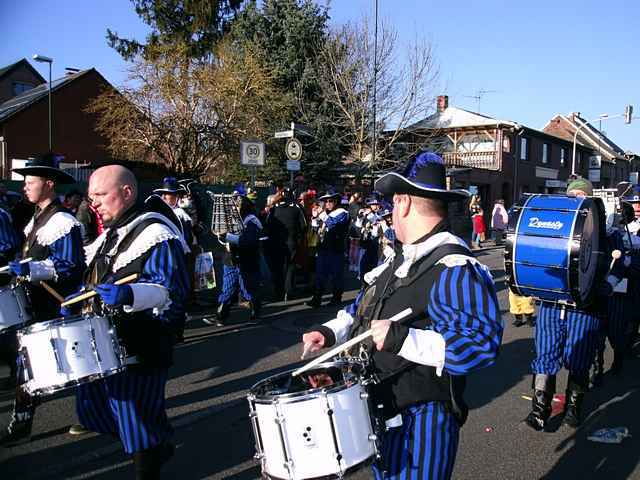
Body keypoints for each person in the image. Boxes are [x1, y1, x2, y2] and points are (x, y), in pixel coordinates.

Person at [302, 152, 503, 480]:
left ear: (404, 203)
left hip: (423, 421)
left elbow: (480, 344)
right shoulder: (401, 260)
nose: (391, 212)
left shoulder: (453, 267)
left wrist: (403, 338)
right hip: (384, 411)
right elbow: (363, 311)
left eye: (393, 204)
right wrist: (328, 332)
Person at [69, 165, 189, 479]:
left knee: (135, 418)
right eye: (90, 195)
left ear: (127, 192)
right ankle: (156, 445)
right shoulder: (111, 235)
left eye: (100, 195)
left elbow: (171, 293)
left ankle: (149, 458)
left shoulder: (155, 233)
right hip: (107, 344)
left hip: (142, 344)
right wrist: (77, 301)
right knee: (92, 409)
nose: (93, 202)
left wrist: (129, 295)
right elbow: (94, 281)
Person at [1, 152, 85, 446]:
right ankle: (22, 422)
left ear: (49, 184)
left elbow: (71, 266)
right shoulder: (38, 218)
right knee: (33, 366)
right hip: (35, 301)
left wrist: (31, 268)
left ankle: (23, 425)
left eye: (30, 181)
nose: (24, 186)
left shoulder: (63, 221)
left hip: (55, 305)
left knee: (73, 366)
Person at [524, 177, 618, 431]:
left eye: (580, 195)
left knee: (580, 357)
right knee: (545, 354)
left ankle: (573, 408)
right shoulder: (555, 230)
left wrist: (608, 284)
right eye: (571, 195)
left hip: (586, 306)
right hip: (553, 303)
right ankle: (539, 410)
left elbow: (618, 266)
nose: (574, 199)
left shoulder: (607, 234)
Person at [213, 195, 263, 325]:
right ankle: (220, 316)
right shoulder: (231, 220)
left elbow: (249, 241)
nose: (233, 208)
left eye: (237, 205)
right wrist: (222, 237)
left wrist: (228, 237)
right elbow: (223, 236)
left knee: (249, 288)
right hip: (230, 258)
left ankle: (255, 314)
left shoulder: (252, 221)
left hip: (247, 259)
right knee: (227, 287)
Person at [306, 188, 349, 307]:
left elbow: (332, 223)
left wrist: (321, 214)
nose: (327, 203)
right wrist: (315, 218)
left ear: (336, 201)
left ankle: (336, 298)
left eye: (330, 201)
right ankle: (317, 298)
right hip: (323, 247)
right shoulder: (326, 213)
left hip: (336, 249)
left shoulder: (342, 212)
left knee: (336, 275)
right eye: (325, 201)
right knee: (320, 274)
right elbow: (315, 228)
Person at [264, 188, 307, 301]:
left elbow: (267, 225)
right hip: (291, 241)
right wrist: (299, 238)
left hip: (276, 242)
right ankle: (289, 291)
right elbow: (304, 225)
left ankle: (278, 292)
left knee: (277, 267)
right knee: (290, 266)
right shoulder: (296, 207)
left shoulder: (273, 209)